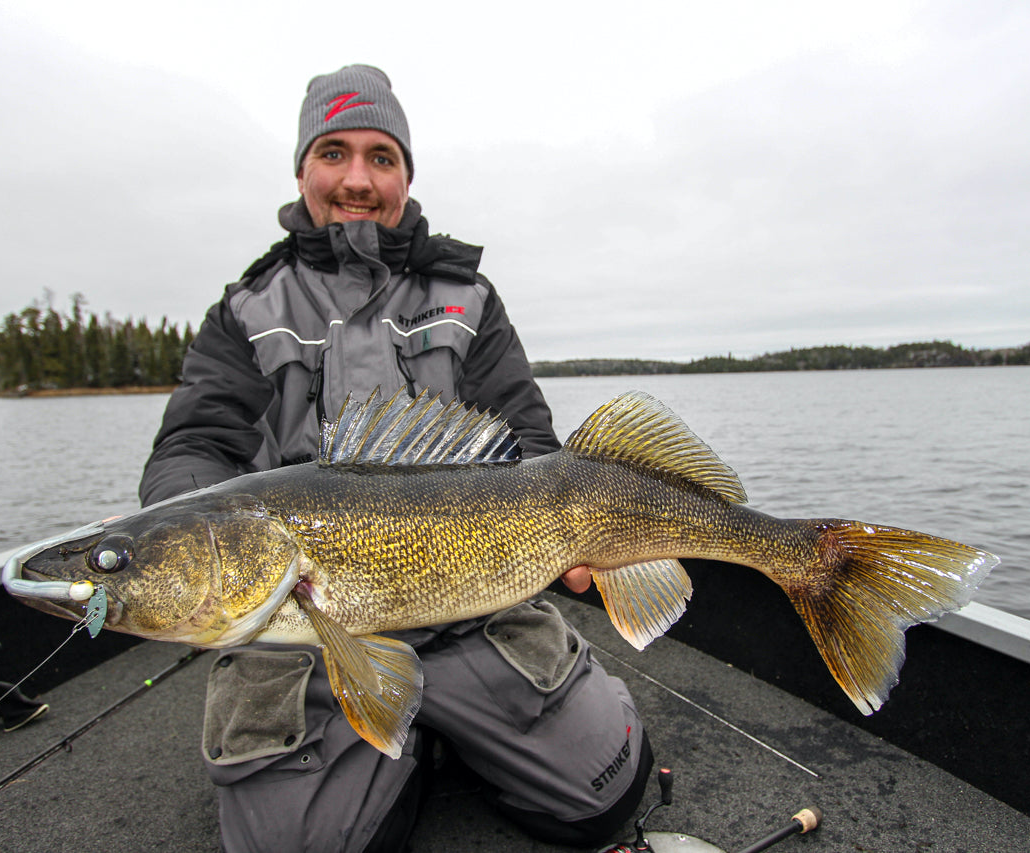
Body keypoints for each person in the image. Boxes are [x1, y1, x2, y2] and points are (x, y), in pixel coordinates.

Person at [140, 64, 652, 853]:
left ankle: (449, 730)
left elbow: (531, 441)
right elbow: (195, 445)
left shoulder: (468, 297)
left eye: (381, 156)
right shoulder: (246, 309)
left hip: (475, 614)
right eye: (334, 152)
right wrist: (171, 523)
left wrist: (584, 541)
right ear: (302, 168)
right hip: (306, 631)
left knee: (605, 791)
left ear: (406, 176)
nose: (356, 178)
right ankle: (404, 750)